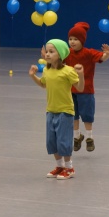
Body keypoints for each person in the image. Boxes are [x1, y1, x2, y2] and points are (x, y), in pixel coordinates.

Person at [29, 39, 84, 180]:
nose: (47, 54)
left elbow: (80, 87)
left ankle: (69, 168)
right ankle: (59, 166)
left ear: (60, 54)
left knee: (63, 141)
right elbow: (43, 85)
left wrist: (81, 75)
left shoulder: (68, 71)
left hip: (65, 111)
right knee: (51, 141)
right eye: (46, 51)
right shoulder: (47, 70)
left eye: (51, 51)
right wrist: (32, 76)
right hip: (50, 110)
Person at [65, 22, 109, 152]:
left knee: (87, 115)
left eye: (76, 39)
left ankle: (89, 138)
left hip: (86, 91)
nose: (72, 42)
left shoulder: (89, 53)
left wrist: (107, 54)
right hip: (71, 90)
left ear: (82, 40)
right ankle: (76, 137)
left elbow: (102, 57)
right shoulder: (67, 53)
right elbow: (56, 60)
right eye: (70, 39)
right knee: (72, 115)